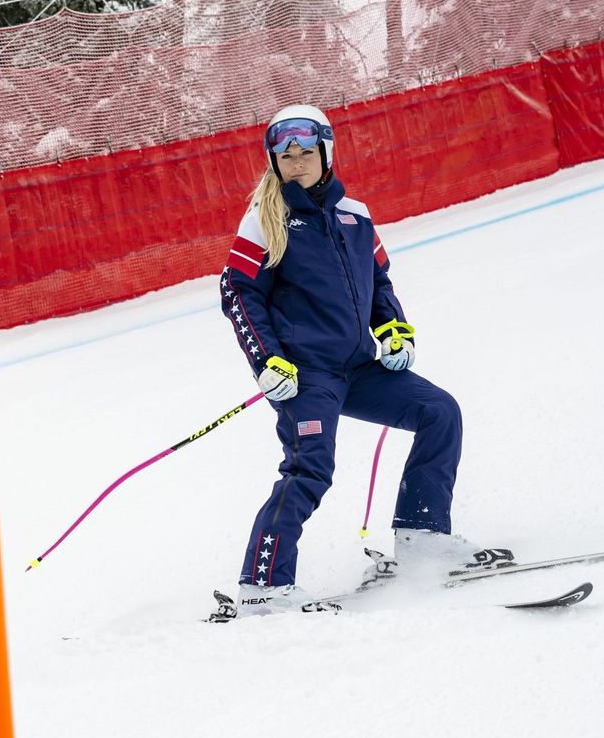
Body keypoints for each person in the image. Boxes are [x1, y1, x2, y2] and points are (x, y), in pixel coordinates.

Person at [219, 104, 511, 616]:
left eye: (306, 152)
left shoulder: (355, 215)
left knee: (439, 411)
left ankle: (422, 536)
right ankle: (264, 586)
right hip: (305, 376)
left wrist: (393, 329)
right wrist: (268, 360)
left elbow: (378, 281)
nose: (296, 162)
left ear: (326, 153)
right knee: (310, 469)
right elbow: (238, 294)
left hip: (358, 367)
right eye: (285, 157)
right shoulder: (265, 222)